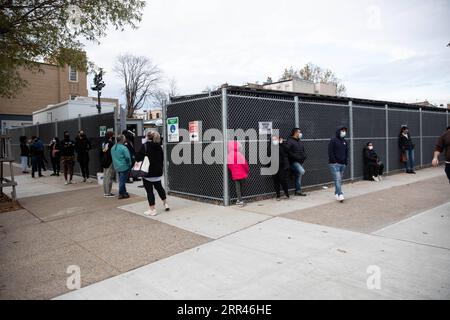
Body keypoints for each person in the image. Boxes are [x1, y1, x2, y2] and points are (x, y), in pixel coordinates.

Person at [135, 131, 170, 216]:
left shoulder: (145, 146)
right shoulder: (159, 147)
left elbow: (138, 157)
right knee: (159, 188)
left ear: (147, 137)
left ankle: (152, 209)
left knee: (149, 191)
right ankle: (165, 203)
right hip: (157, 171)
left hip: (148, 172)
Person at [328, 126, 349, 202]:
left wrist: (346, 161)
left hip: (343, 164)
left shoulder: (344, 141)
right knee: (338, 179)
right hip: (334, 164)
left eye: (345, 131)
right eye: (342, 130)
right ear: (338, 131)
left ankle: (336, 193)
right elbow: (330, 151)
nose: (344, 132)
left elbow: (346, 152)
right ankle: (340, 194)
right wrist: (334, 161)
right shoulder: (333, 140)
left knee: (339, 180)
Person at [227, 140, 249, 207]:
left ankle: (239, 199)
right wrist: (247, 170)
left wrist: (233, 170)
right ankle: (240, 200)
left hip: (235, 173)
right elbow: (244, 164)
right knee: (242, 186)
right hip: (242, 173)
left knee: (237, 187)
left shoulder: (229, 155)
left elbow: (229, 165)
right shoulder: (239, 154)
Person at [287, 128, 307, 196]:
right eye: (299, 132)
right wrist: (296, 157)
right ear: (295, 133)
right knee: (302, 171)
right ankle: (291, 171)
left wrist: (304, 156)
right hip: (294, 161)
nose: (300, 133)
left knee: (298, 177)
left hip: (301, 161)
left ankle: (298, 191)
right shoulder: (290, 141)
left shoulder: (299, 141)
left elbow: (303, 150)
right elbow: (288, 152)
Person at [111, 134, 132, 199]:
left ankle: (124, 193)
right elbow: (128, 158)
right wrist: (129, 164)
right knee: (122, 181)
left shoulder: (113, 147)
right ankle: (121, 193)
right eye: (124, 138)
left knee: (122, 179)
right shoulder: (124, 148)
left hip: (117, 166)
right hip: (124, 166)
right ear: (122, 140)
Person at [271, 136, 290, 201]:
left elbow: (285, 152)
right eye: (273, 139)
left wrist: (281, 144)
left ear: (279, 139)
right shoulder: (270, 147)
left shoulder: (282, 145)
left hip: (282, 166)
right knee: (275, 181)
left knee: (283, 180)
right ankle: (278, 195)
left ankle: (286, 194)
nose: (274, 141)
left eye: (276, 139)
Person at [100, 131, 116, 198]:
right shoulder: (111, 143)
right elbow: (112, 153)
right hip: (109, 161)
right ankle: (108, 193)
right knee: (109, 177)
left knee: (105, 177)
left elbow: (101, 152)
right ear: (110, 136)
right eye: (113, 135)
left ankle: (105, 192)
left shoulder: (103, 143)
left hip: (104, 161)